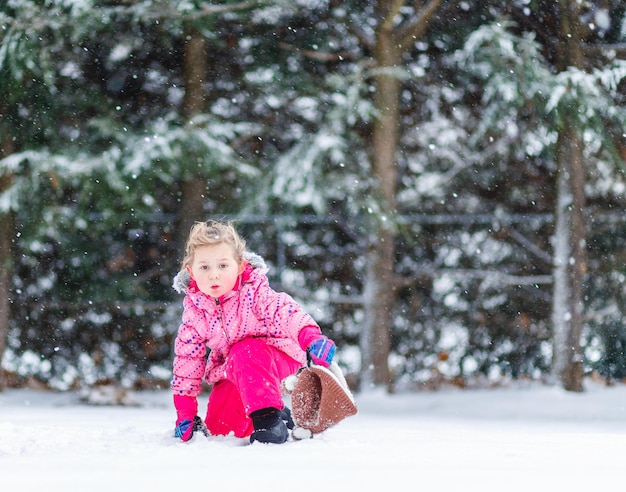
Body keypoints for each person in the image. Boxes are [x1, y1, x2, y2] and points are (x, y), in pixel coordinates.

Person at [170, 220, 336, 444]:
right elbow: (187, 364)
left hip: (278, 355)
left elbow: (285, 311)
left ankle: (269, 422)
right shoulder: (195, 314)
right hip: (235, 368)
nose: (214, 275)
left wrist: (311, 338)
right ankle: (280, 414)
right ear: (191, 271)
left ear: (239, 266)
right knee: (223, 430)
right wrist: (185, 414)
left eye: (222, 265)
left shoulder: (254, 292)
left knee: (246, 350)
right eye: (204, 267)